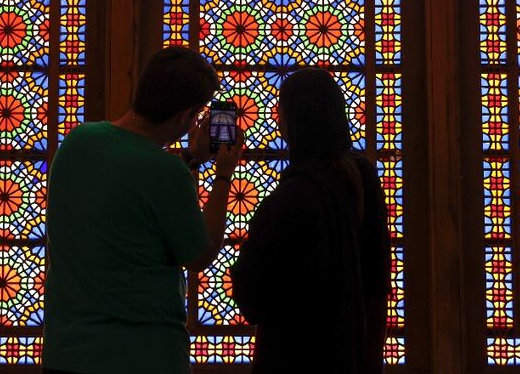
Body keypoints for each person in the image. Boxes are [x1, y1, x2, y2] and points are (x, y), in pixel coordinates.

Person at [43, 46, 243, 374]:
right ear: (186, 116)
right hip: (142, 355)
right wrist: (223, 173)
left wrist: (191, 159)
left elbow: (131, 192)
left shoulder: (77, 143)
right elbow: (199, 253)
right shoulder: (165, 172)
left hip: (68, 352)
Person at [231, 68, 390, 374]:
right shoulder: (361, 178)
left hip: (294, 356)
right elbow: (377, 282)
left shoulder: (295, 196)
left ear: (293, 120)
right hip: (350, 355)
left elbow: (252, 295)